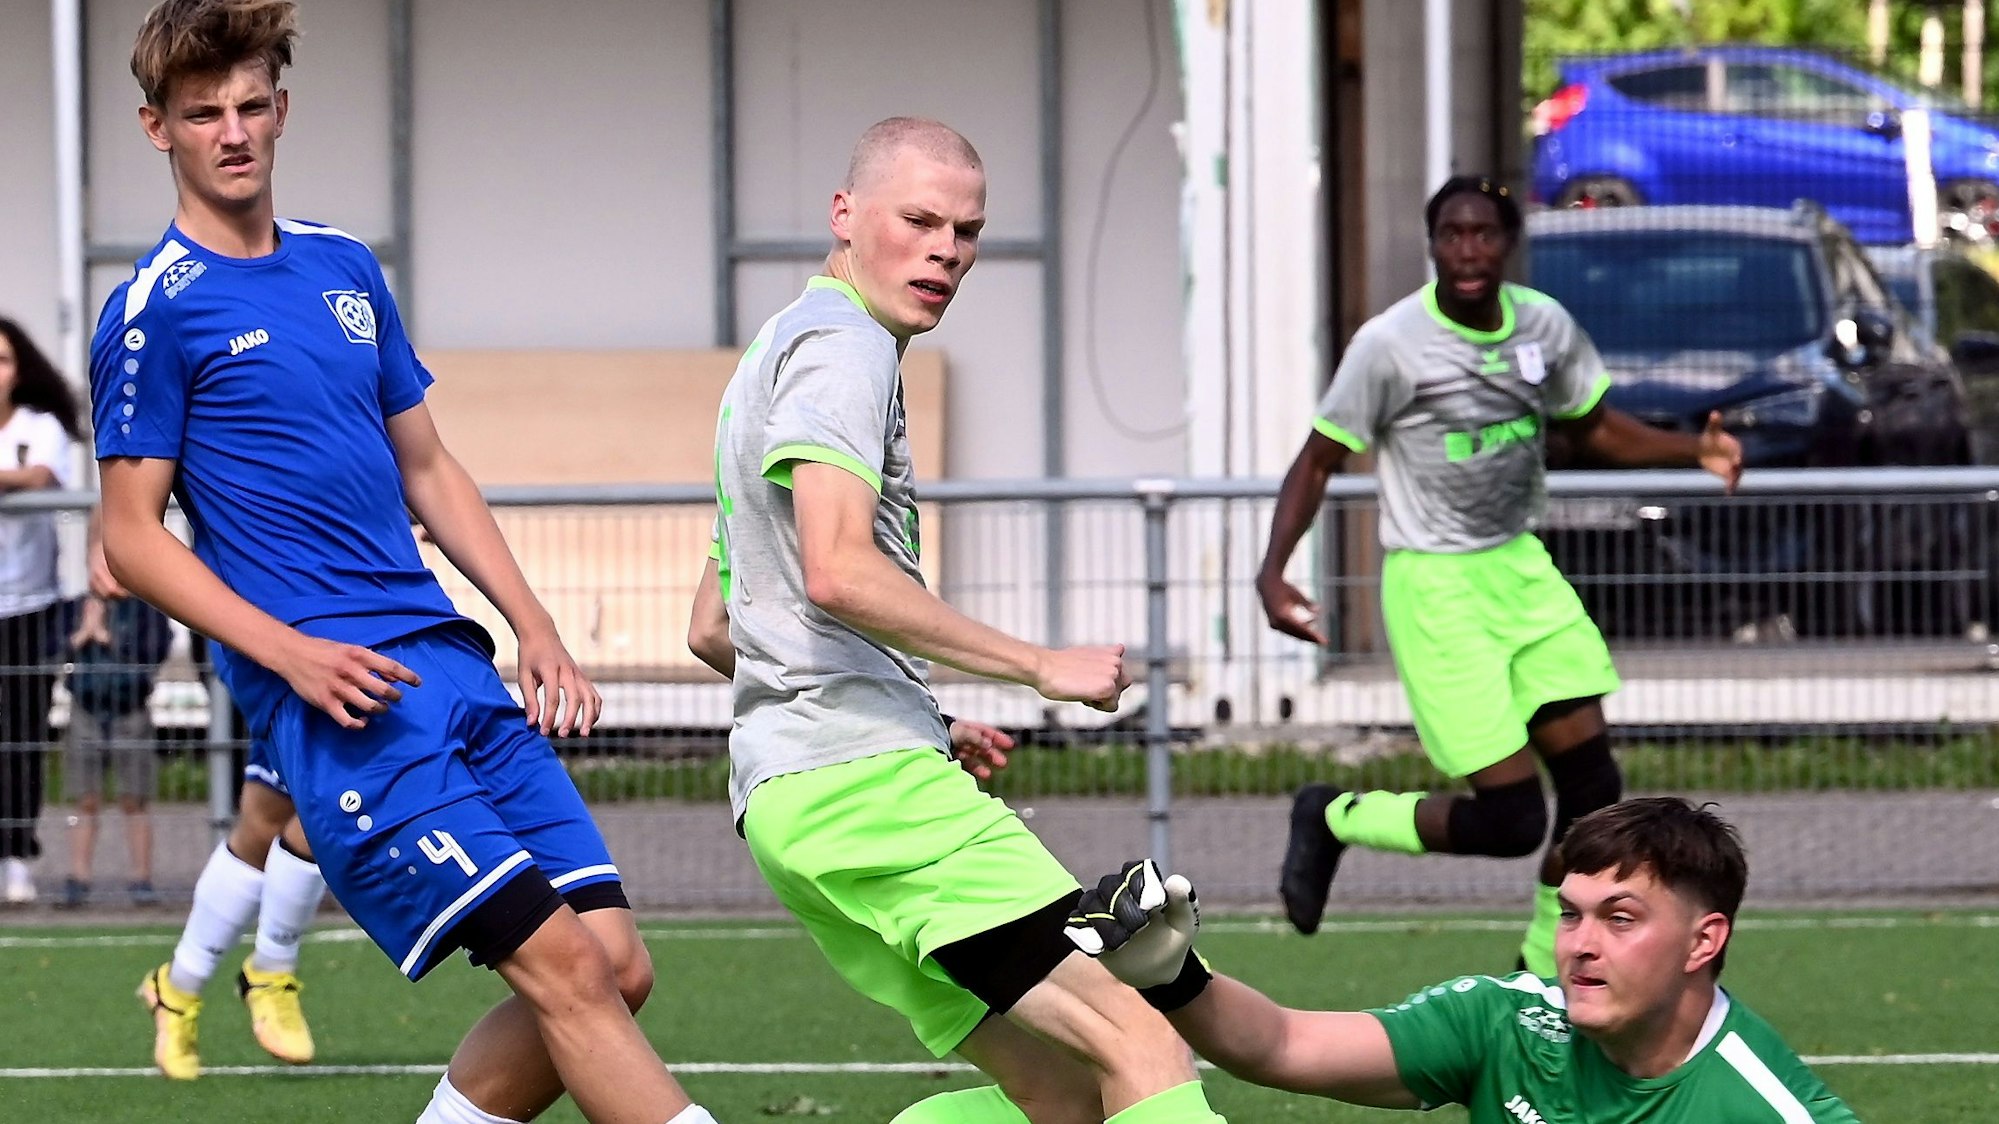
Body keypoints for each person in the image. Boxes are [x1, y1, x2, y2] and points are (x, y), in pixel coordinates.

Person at [92, 4, 717, 1121]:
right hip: (347, 702)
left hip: (456, 668)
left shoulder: (343, 265)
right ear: (159, 130)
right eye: (202, 115)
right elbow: (130, 536)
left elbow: (429, 467)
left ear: (280, 110)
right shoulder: (151, 314)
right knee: (567, 973)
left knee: (617, 966)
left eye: (249, 106)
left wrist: (535, 624)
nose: (231, 132)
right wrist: (293, 656)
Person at [688, 116, 1228, 1124]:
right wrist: (1039, 665)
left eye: (967, 230)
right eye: (920, 219)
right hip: (869, 793)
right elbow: (837, 571)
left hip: (793, 798)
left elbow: (714, 623)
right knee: (1140, 1040)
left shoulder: (771, 353)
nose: (945, 249)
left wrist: (916, 715)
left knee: (1060, 1093)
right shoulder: (846, 348)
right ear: (845, 215)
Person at [1257, 176, 1745, 975]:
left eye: (1483, 233)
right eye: (1451, 234)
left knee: (1593, 788)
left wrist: (1693, 447)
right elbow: (1316, 461)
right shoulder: (1390, 344)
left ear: (1508, 242)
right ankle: (1335, 814)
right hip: (1436, 587)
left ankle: (1538, 975)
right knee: (1515, 820)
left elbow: (1594, 432)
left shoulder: (1544, 327)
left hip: (1519, 567)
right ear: (1432, 245)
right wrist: (1274, 574)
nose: (1468, 250)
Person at [1068, 798, 1860, 1122]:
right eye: (1572, 915)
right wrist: (1173, 976)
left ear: (1703, 941)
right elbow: (1279, 1044)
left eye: (1620, 920)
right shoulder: (1507, 1019)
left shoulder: (1763, 1109)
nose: (1580, 945)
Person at [64, 507, 329, 1079]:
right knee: (332, 798)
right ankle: (270, 970)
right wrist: (101, 541)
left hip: (342, 614)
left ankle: (176, 991)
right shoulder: (214, 416)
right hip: (266, 619)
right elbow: (129, 473)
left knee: (263, 823)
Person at [0, 317, 85, 906]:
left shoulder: (40, 425)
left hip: (28, 604)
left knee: (22, 736)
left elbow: (43, 474)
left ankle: (16, 856)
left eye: (3, 360)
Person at [57, 541, 174, 909]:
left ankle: (141, 877)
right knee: (85, 798)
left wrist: (110, 639)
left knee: (134, 799)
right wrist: (83, 634)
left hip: (129, 710)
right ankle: (78, 877)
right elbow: (51, 649)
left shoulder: (146, 610)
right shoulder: (76, 607)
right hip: (86, 708)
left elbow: (154, 654)